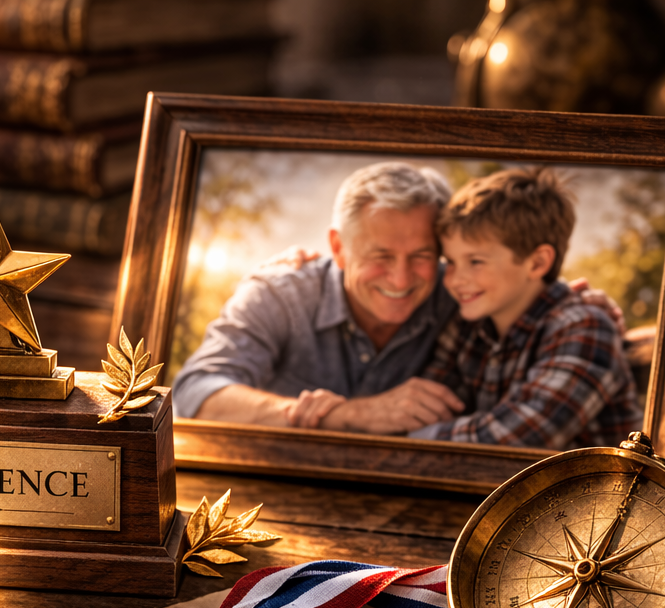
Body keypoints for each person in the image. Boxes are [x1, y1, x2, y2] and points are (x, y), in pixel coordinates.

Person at [171, 162, 467, 434]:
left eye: (421, 256)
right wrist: (345, 415)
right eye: (381, 256)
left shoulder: (461, 296)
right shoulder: (280, 295)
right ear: (338, 247)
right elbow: (194, 393)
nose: (401, 279)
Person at [408, 167, 640, 448]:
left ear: (537, 263)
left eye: (476, 261)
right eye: (451, 261)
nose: (455, 279)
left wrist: (410, 441)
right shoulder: (468, 325)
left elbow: (519, 438)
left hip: (597, 491)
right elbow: (425, 408)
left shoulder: (585, 326)